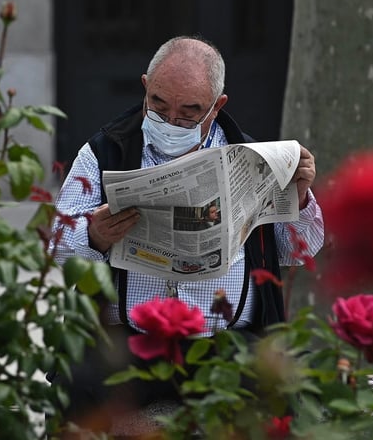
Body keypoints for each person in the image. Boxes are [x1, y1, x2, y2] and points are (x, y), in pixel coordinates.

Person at [50, 35, 325, 432]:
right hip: (127, 341)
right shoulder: (104, 151)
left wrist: (298, 197)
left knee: (280, 393)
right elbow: (55, 245)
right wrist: (93, 235)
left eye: (188, 113)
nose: (170, 121)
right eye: (158, 106)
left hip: (224, 343)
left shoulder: (252, 157)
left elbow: (301, 252)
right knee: (73, 387)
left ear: (217, 107)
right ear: (145, 86)